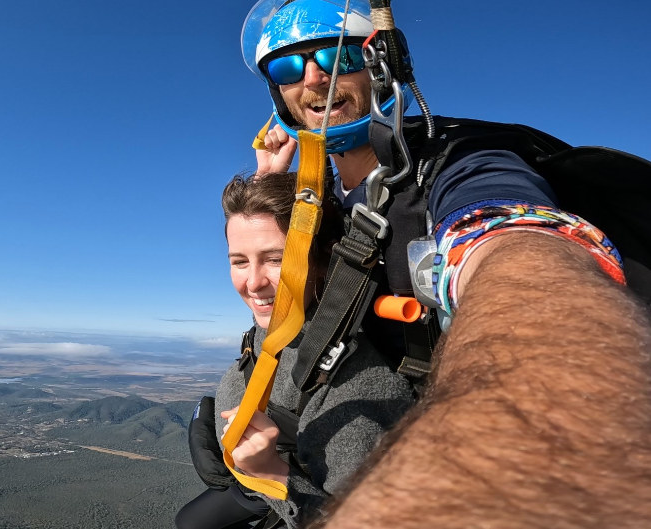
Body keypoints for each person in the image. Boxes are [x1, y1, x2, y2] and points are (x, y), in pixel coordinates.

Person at [228, 1, 651, 527]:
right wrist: (272, 179)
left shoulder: (458, 161)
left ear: (379, 64)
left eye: (334, 56)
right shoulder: (326, 195)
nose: (313, 77)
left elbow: (508, 239)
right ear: (278, 94)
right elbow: (277, 267)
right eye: (289, 68)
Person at [176, 172, 414, 529]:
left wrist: (270, 472)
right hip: (254, 489)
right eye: (239, 261)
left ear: (322, 261)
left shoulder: (355, 387)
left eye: (275, 259)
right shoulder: (278, 331)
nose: (253, 282)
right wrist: (266, 178)